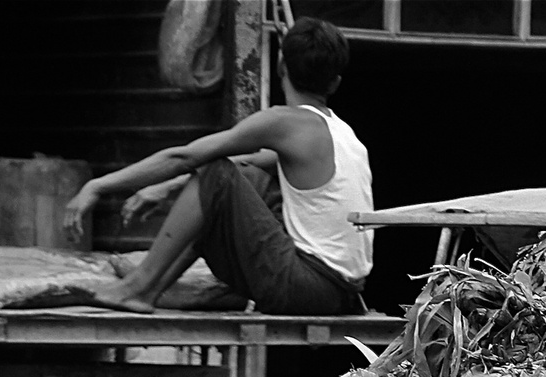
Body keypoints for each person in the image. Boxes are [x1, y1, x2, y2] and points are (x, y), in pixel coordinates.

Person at [62, 17, 371, 316]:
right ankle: (150, 291)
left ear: (280, 66)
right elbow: (249, 162)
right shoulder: (345, 136)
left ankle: (138, 285)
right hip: (343, 295)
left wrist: (97, 186)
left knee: (215, 172)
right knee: (244, 177)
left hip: (305, 286)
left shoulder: (285, 123)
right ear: (335, 81)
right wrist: (166, 186)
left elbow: (185, 157)